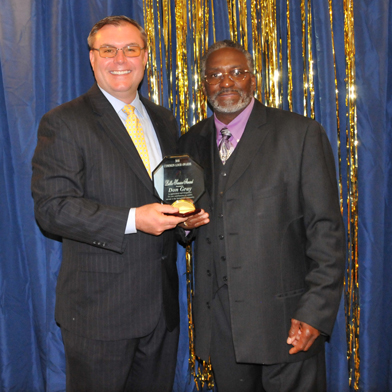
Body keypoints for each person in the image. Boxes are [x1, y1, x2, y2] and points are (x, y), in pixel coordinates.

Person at [31, 15, 207, 392]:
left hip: (160, 312)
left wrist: (183, 222)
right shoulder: (64, 122)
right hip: (99, 314)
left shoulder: (163, 119)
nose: (120, 59)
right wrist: (133, 219)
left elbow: (169, 196)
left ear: (145, 57)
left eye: (131, 49)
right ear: (92, 58)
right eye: (108, 50)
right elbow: (52, 208)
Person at [179, 40, 346, 392]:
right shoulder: (189, 143)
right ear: (203, 85)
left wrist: (315, 312)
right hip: (223, 327)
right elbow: (181, 221)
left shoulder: (299, 134)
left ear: (254, 80)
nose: (226, 82)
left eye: (237, 72)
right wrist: (182, 225)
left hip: (287, 323)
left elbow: (327, 232)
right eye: (215, 75)